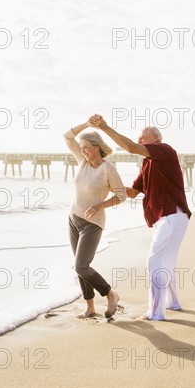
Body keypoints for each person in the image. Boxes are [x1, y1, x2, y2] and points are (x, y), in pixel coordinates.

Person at [90, 114, 192, 321]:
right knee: (166, 263)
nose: (138, 141)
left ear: (156, 139)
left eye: (142, 138)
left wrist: (105, 127)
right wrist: (109, 184)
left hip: (171, 215)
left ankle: (156, 313)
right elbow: (133, 192)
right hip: (172, 218)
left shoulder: (165, 151)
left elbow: (128, 147)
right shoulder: (147, 164)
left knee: (154, 261)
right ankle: (173, 303)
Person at [63, 119, 127, 319]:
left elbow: (121, 195)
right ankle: (90, 307)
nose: (82, 151)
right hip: (73, 219)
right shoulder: (82, 161)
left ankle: (110, 294)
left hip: (92, 224)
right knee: (80, 268)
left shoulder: (108, 169)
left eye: (86, 148)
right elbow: (67, 136)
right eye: (81, 148)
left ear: (97, 147)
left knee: (81, 266)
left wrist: (100, 205)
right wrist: (86, 124)